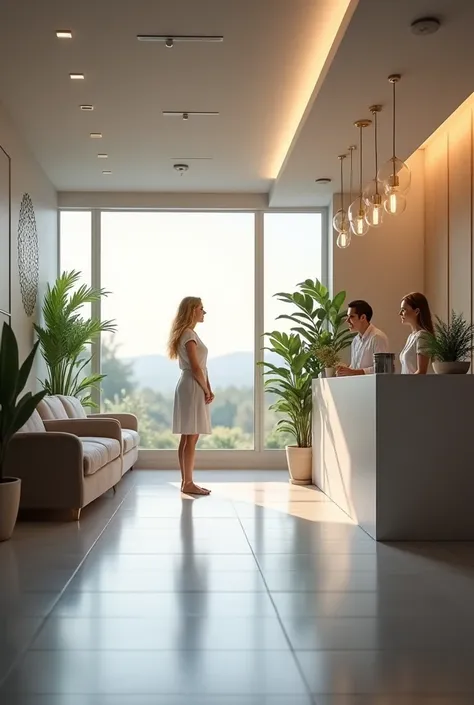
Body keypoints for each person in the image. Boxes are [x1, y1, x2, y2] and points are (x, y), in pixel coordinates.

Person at [168, 296, 214, 495]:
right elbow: (196, 368)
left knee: (187, 436)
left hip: (191, 384)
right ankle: (188, 482)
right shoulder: (188, 334)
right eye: (201, 308)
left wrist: (208, 386)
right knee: (191, 436)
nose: (204, 312)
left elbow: (201, 367)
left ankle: (186, 481)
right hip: (192, 386)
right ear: (192, 310)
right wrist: (206, 389)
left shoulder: (188, 333)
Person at [336, 299, 389, 376]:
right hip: (359, 385)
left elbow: (382, 368)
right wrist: (344, 371)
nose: (347, 321)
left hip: (374, 387)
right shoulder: (355, 341)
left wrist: (354, 372)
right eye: (347, 317)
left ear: (363, 317)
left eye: (351, 316)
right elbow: (354, 368)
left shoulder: (377, 337)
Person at [399, 292, 433, 374]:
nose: (400, 313)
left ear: (417, 311)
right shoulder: (411, 336)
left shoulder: (423, 336)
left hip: (414, 386)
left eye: (403, 310)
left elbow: (421, 372)